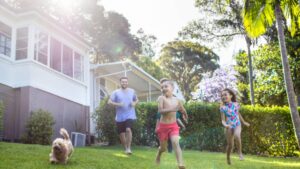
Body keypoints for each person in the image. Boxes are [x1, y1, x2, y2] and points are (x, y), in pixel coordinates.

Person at [155, 80, 188, 169]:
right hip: (163, 127)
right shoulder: (161, 98)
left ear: (172, 88)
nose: (164, 88)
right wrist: (173, 109)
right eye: (162, 87)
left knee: (175, 142)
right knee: (163, 148)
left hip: (173, 126)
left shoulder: (177, 100)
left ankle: (180, 164)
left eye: (166, 86)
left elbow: (182, 110)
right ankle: (159, 154)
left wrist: (185, 115)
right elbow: (160, 111)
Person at [108, 77, 138, 155]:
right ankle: (125, 148)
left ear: (127, 83)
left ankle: (129, 148)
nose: (124, 83)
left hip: (130, 115)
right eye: (122, 82)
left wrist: (134, 103)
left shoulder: (132, 91)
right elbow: (109, 102)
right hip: (120, 117)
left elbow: (136, 99)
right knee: (121, 134)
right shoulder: (116, 92)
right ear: (120, 83)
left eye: (125, 82)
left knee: (128, 129)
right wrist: (118, 104)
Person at [220, 88, 250, 165]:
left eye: (225, 94)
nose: (223, 96)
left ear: (231, 95)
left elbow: (238, 114)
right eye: (222, 95)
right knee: (230, 145)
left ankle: (240, 153)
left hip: (237, 124)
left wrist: (243, 122)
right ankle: (228, 158)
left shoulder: (236, 104)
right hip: (229, 126)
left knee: (237, 135)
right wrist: (225, 125)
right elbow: (223, 120)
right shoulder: (223, 108)